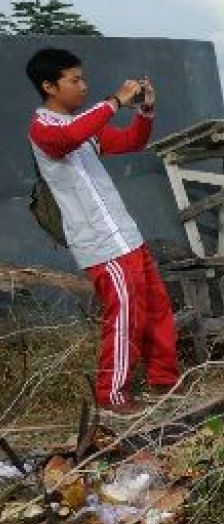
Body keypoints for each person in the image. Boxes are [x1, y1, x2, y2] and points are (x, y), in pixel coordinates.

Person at [25, 48, 179, 415]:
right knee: (125, 317)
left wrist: (145, 111)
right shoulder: (44, 128)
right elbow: (68, 138)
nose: (83, 86)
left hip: (126, 235)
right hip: (101, 244)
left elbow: (131, 142)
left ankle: (164, 380)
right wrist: (114, 100)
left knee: (157, 309)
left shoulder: (85, 127)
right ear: (49, 86)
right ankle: (111, 395)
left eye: (83, 78)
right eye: (74, 80)